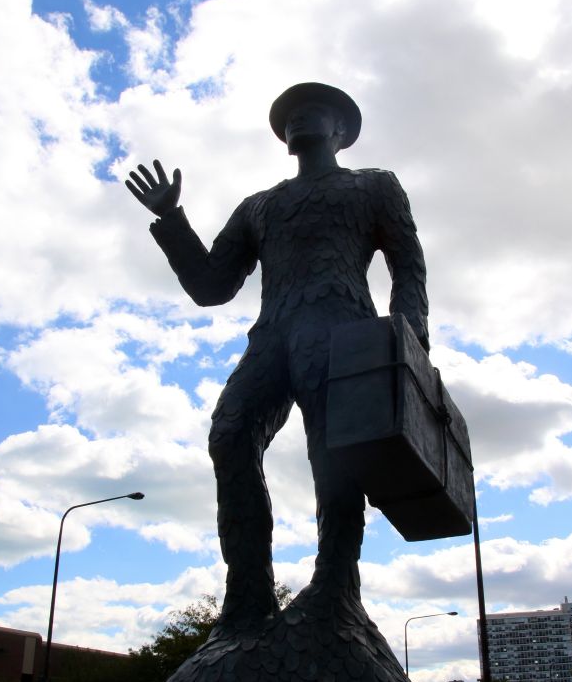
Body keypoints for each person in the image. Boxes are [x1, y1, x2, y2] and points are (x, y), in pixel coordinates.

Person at [126, 83, 428, 631]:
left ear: (341, 130)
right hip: (273, 336)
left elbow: (408, 266)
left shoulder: (374, 186)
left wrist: (409, 342)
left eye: (315, 110)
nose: (299, 118)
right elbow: (211, 286)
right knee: (230, 435)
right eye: (289, 114)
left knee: (333, 454)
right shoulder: (259, 206)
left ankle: (336, 583)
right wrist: (172, 219)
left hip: (343, 333)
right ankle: (248, 593)